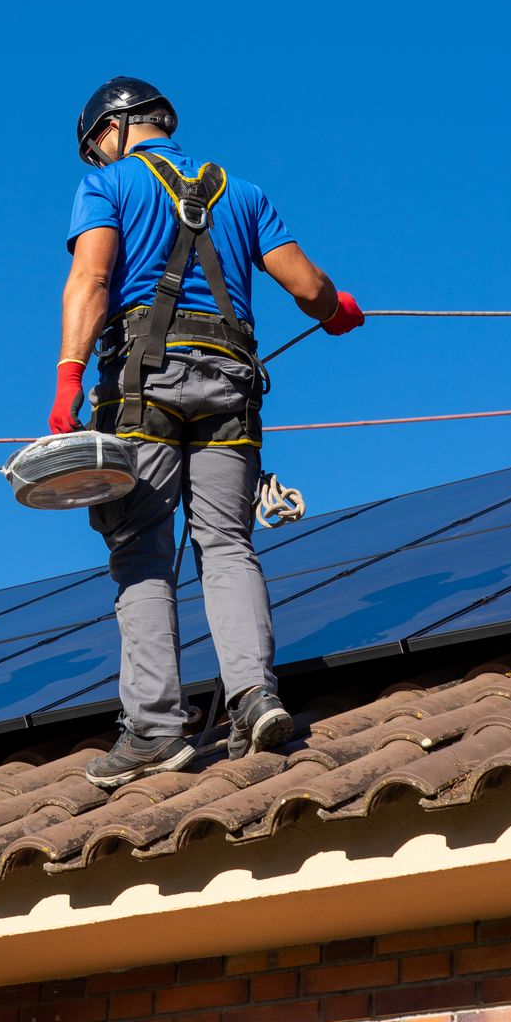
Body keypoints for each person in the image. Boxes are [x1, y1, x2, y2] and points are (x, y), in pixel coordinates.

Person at [48, 77, 364, 792]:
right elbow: (308, 288)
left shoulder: (108, 188)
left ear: (116, 129)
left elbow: (91, 280)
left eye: (97, 141)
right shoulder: (243, 193)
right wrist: (335, 310)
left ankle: (156, 730)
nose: (96, 155)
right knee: (226, 543)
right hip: (231, 390)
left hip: (145, 389)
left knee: (141, 552)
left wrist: (69, 375)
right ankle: (255, 698)